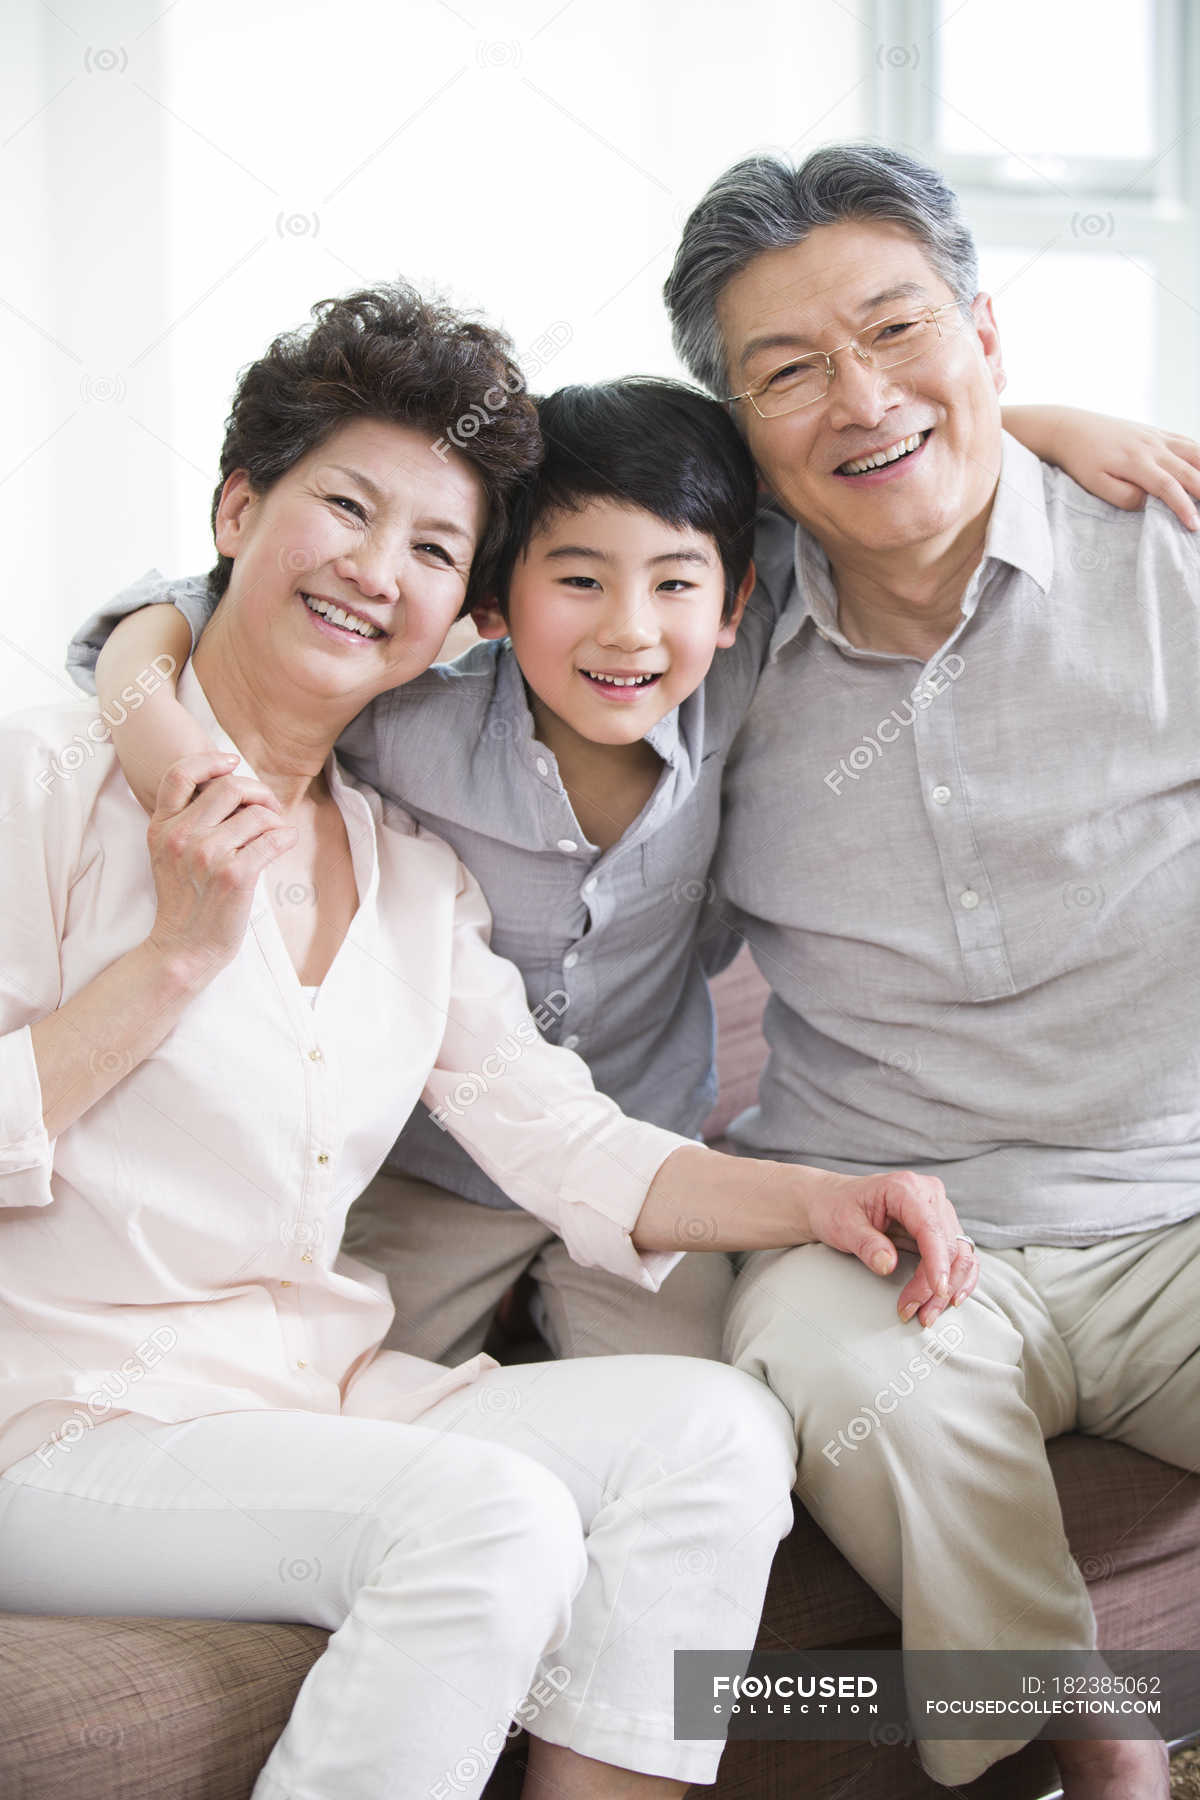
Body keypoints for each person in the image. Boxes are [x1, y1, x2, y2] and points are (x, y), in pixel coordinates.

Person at [0, 281, 977, 1800]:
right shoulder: (46, 777)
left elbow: (561, 1139)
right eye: (346, 508)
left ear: (464, 616)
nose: (378, 571)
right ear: (237, 508)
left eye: (437, 549)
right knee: (490, 1516)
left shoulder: (406, 870)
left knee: (712, 1429)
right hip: (58, 1421)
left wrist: (818, 1199)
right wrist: (179, 955)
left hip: (307, 1396)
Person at [68, 373, 1194, 1373]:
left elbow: (856, 489)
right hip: (432, 1168)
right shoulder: (401, 720)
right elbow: (209, 609)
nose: (629, 631)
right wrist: (166, 749)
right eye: (579, 582)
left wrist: (1031, 425)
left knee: (728, 1405)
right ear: (495, 603)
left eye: (671, 586)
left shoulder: (733, 663)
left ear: (734, 599)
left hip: (648, 1152)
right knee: (330, 1388)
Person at [663, 141, 1200, 1800]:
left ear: (988, 331)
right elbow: (379, 569)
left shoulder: (1170, 547)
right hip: (881, 1217)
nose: (860, 395)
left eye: (898, 332)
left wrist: (1022, 439)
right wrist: (166, 660)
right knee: (849, 1390)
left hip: (1180, 1201)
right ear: (735, 436)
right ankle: (1096, 1741)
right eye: (791, 372)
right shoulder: (699, 626)